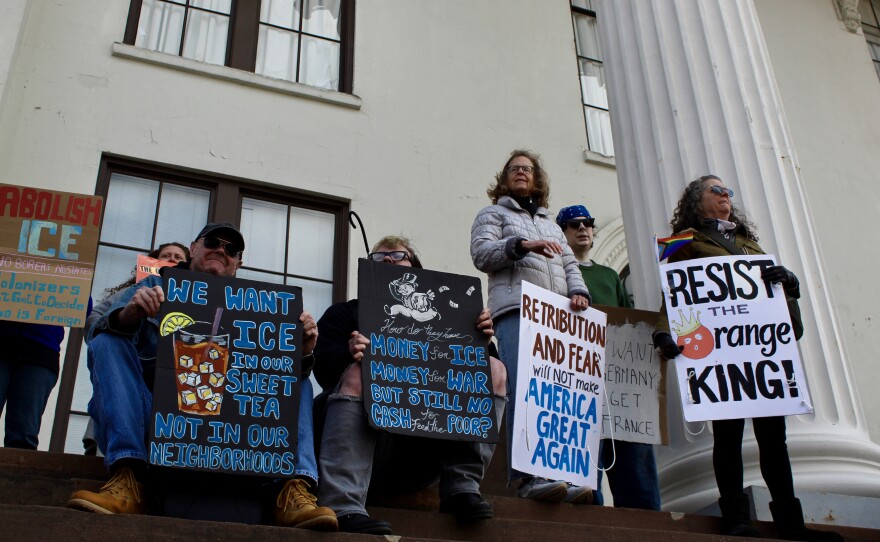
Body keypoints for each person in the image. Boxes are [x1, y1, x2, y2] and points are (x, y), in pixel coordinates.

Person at [66, 222, 338, 531]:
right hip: (154, 424)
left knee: (296, 370)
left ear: (237, 264)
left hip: (235, 431)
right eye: (213, 242)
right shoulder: (153, 286)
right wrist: (128, 316)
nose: (221, 250)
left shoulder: (260, 308)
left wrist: (301, 352)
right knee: (107, 339)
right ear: (193, 248)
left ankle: (292, 489)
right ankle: (129, 476)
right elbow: (93, 329)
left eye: (231, 249)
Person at [653, 175, 842, 541]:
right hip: (722, 356)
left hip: (756, 350)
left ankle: (791, 522)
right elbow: (673, 292)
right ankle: (736, 519)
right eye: (716, 190)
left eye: (728, 192)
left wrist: (790, 283)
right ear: (696, 200)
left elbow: (770, 294)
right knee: (728, 435)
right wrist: (664, 331)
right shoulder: (679, 243)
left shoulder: (748, 242)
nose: (725, 196)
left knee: (775, 438)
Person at [314, 235, 506, 535]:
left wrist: (480, 338)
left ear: (416, 271)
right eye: (379, 257)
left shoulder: (452, 315)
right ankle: (342, 504)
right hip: (369, 444)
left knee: (494, 369)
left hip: (426, 450)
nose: (388, 260)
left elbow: (486, 372)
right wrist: (348, 354)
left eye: (398, 255)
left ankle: (461, 487)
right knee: (357, 371)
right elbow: (323, 372)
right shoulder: (343, 314)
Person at [470, 150, 592, 504]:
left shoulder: (552, 224)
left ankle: (562, 476)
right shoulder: (492, 214)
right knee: (524, 393)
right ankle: (528, 478)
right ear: (504, 177)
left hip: (557, 320)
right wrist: (522, 245)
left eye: (528, 169)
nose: (521, 173)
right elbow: (482, 254)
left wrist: (579, 293)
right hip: (516, 311)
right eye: (514, 168)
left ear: (537, 179)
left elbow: (570, 265)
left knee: (557, 399)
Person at [556, 204, 661, 511]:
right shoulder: (557, 272)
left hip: (619, 380)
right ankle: (590, 510)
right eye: (573, 224)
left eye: (587, 223)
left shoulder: (609, 276)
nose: (583, 228)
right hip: (577, 374)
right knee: (587, 452)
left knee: (632, 450)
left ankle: (643, 517)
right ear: (562, 234)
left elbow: (628, 321)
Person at [83, 242, 191, 455]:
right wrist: (126, 315)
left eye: (178, 257)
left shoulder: (201, 298)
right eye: (166, 255)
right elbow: (95, 323)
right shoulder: (133, 291)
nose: (171, 260)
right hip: (134, 392)